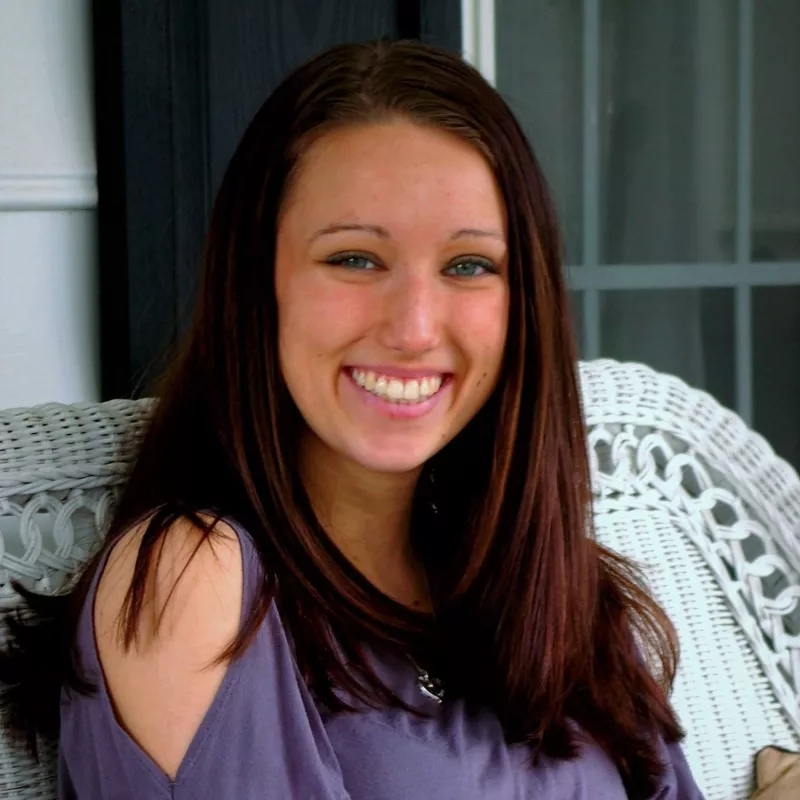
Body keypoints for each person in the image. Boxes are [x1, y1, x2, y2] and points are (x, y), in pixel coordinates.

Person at [0, 39, 704, 799]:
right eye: (354, 259)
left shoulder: (553, 589)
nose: (414, 328)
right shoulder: (194, 579)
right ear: (256, 284)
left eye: (468, 265)